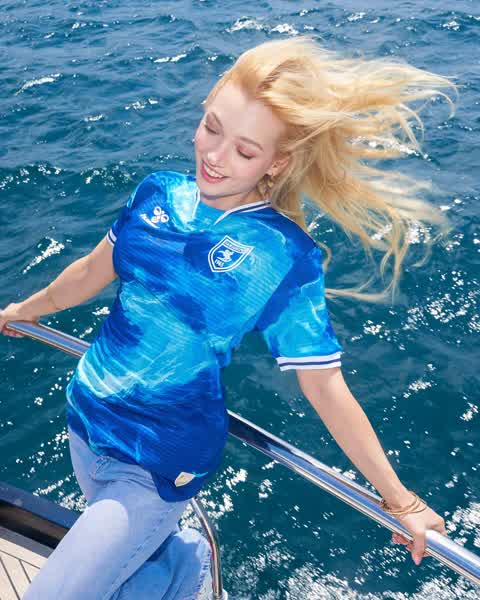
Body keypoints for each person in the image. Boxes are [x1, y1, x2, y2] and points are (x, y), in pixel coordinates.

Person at [0, 36, 456, 598]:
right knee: (126, 569)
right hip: (86, 422)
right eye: (212, 128)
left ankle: (179, 558)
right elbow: (91, 272)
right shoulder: (156, 193)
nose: (215, 157)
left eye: (244, 150)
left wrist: (402, 502)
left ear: (276, 163)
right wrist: (20, 311)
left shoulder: (283, 255)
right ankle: (175, 563)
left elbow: (324, 384)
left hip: (157, 463)